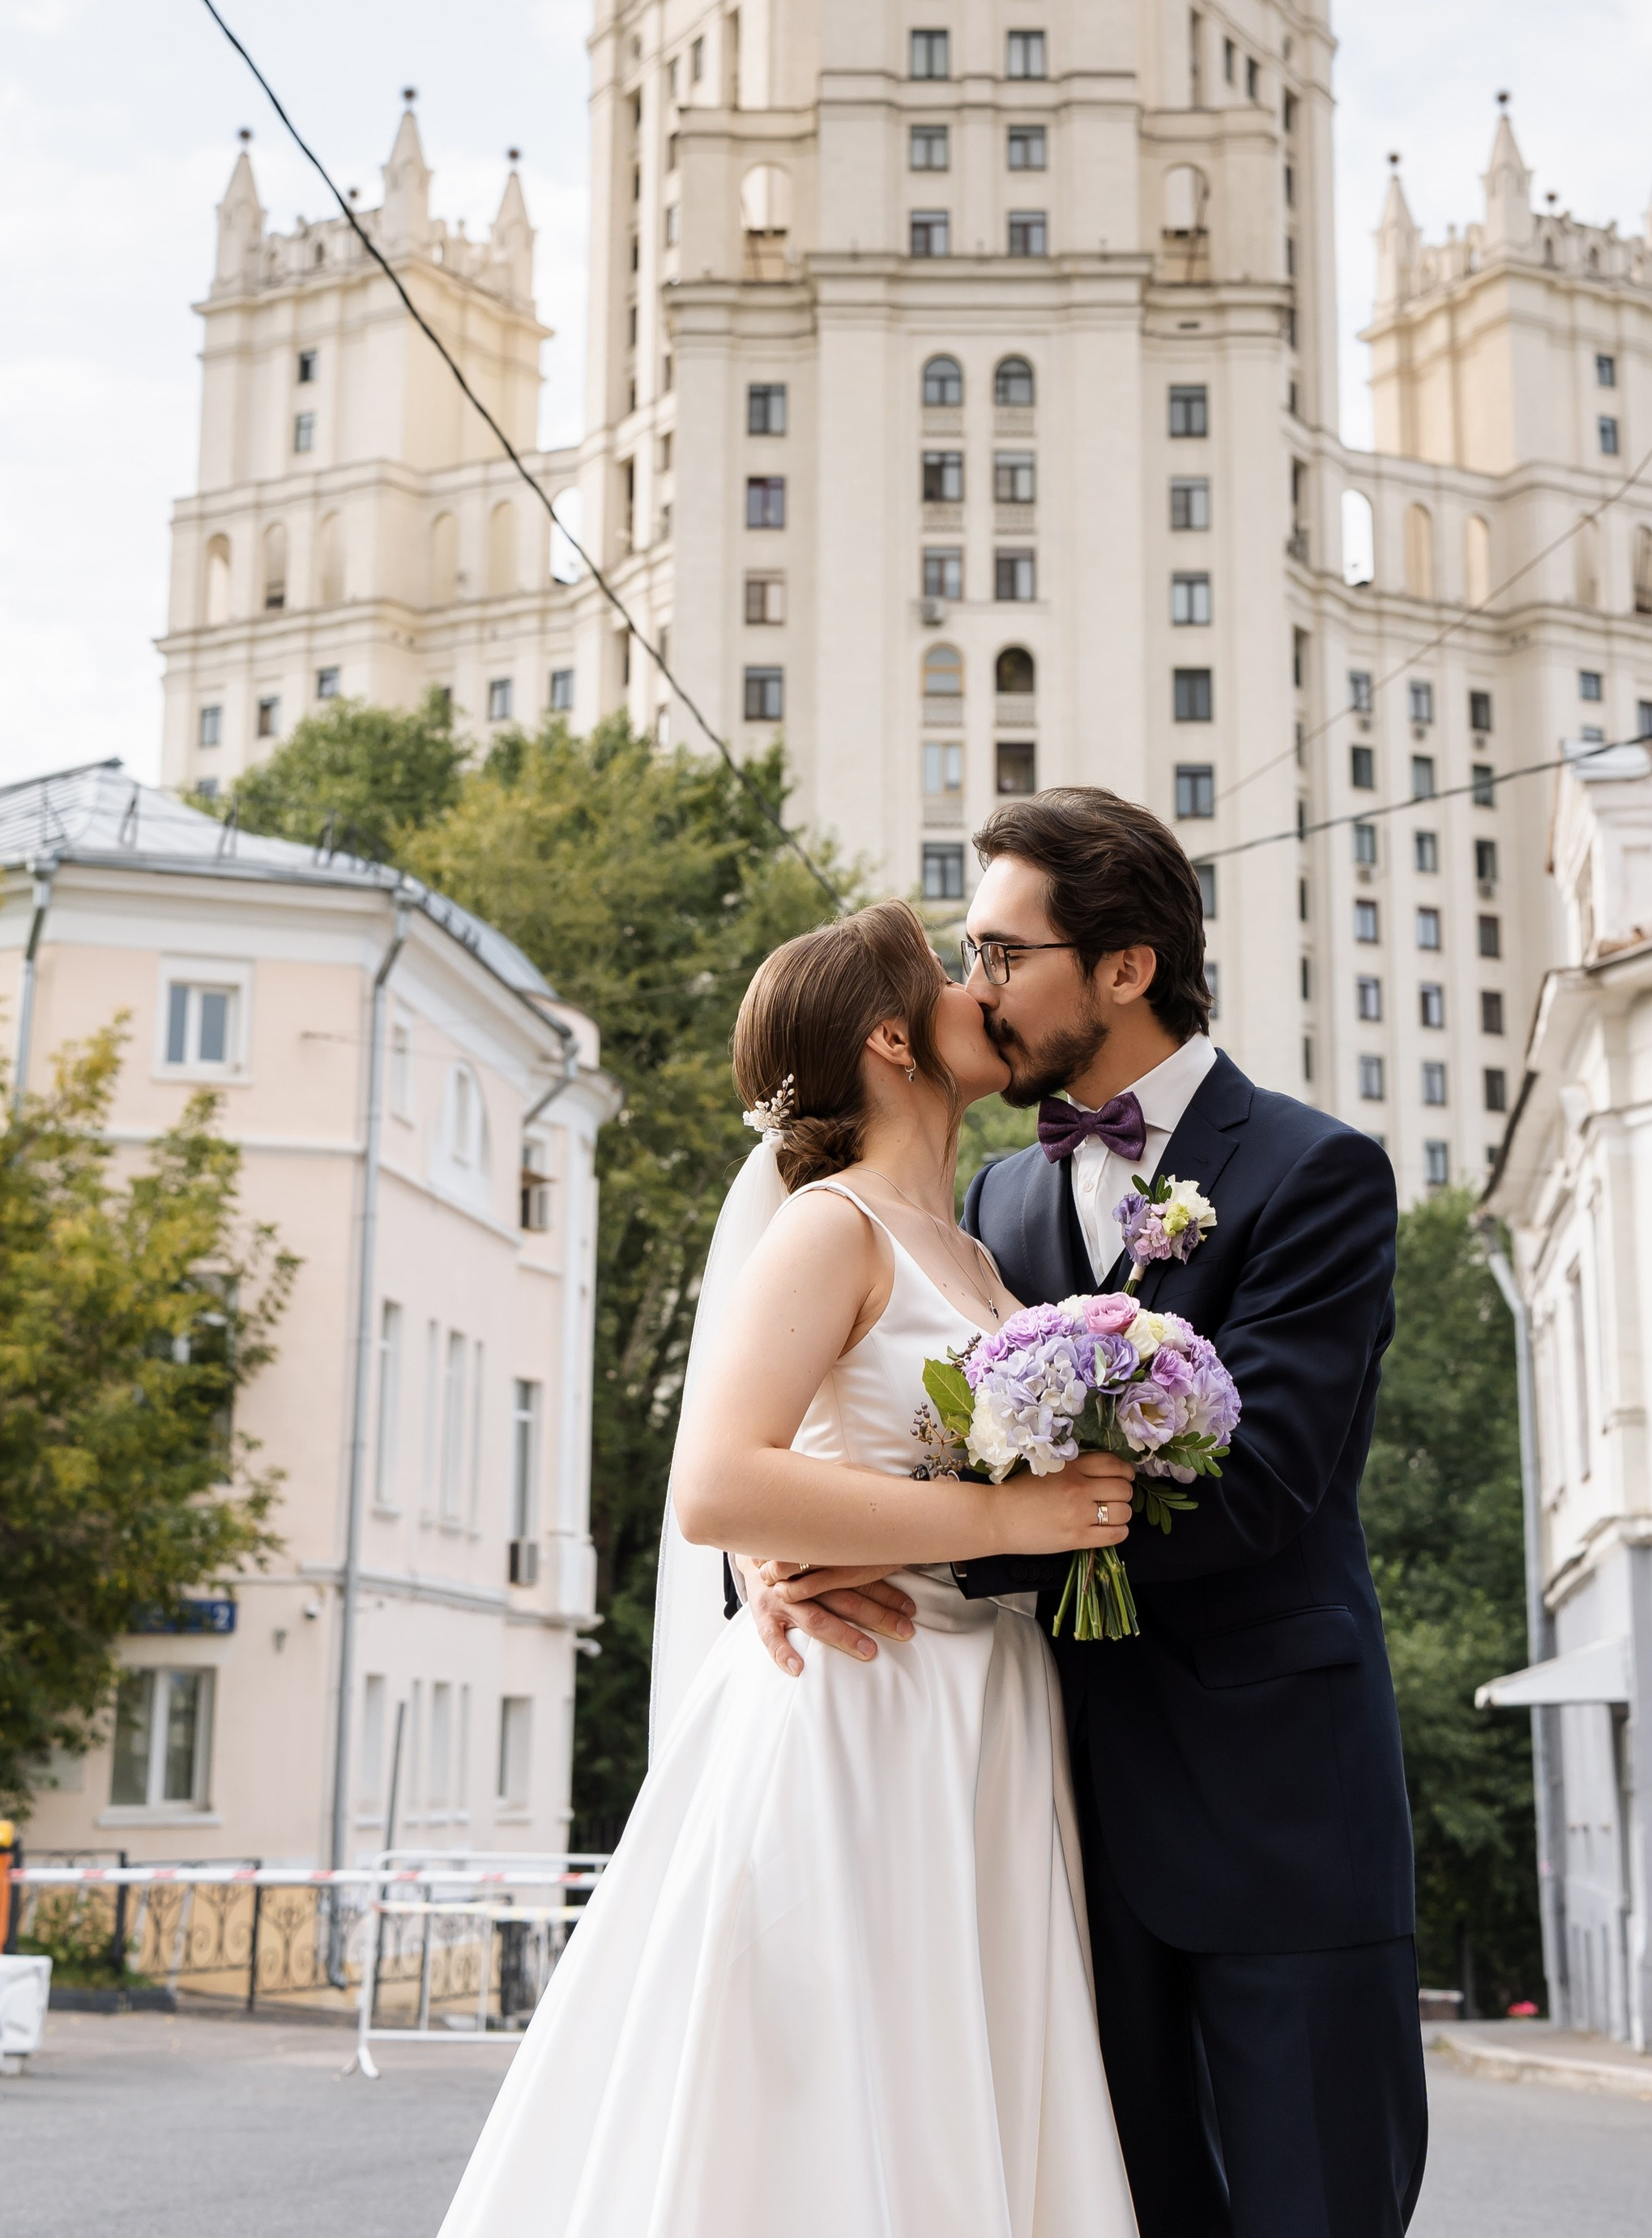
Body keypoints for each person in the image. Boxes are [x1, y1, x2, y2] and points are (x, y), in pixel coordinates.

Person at [741, 790, 1427, 2238]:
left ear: (1125, 967)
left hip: (1271, 1817)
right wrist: (783, 1557)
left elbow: (1260, 1490)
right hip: (1036, 1827)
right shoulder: (989, 1202)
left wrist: (905, 1541)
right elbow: (874, 1414)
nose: (973, 986)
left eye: (1002, 952)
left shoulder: (1317, 1175)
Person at [435, 899, 1141, 2238]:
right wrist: (1008, 1523)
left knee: (958, 2084)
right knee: (835, 2102)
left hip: (982, 1715)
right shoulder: (831, 1227)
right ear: (890, 1035)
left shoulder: (979, 1254)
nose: (972, 989)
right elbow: (718, 1482)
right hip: (861, 1709)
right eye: (946, 976)